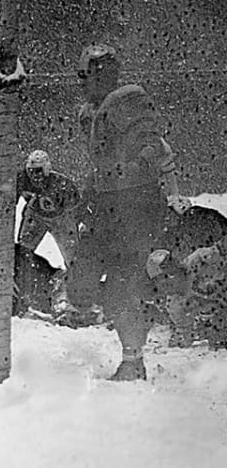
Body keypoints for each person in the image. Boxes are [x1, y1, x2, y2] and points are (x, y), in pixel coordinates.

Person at [58, 45, 187, 381]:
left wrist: (131, 170)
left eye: (86, 76)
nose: (83, 84)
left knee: (118, 288)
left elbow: (152, 144)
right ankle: (144, 296)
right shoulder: (96, 109)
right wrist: (89, 195)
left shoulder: (126, 99)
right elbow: (101, 166)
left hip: (134, 208)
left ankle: (134, 357)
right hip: (107, 207)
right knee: (81, 282)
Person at [15, 149, 84, 310]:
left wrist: (75, 226)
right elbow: (12, 200)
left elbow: (77, 208)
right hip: (36, 215)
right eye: (31, 171)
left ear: (46, 169)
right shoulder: (22, 179)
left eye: (38, 171)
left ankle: (76, 300)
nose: (34, 176)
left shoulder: (63, 184)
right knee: (23, 252)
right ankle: (24, 296)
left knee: (74, 259)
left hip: (61, 218)